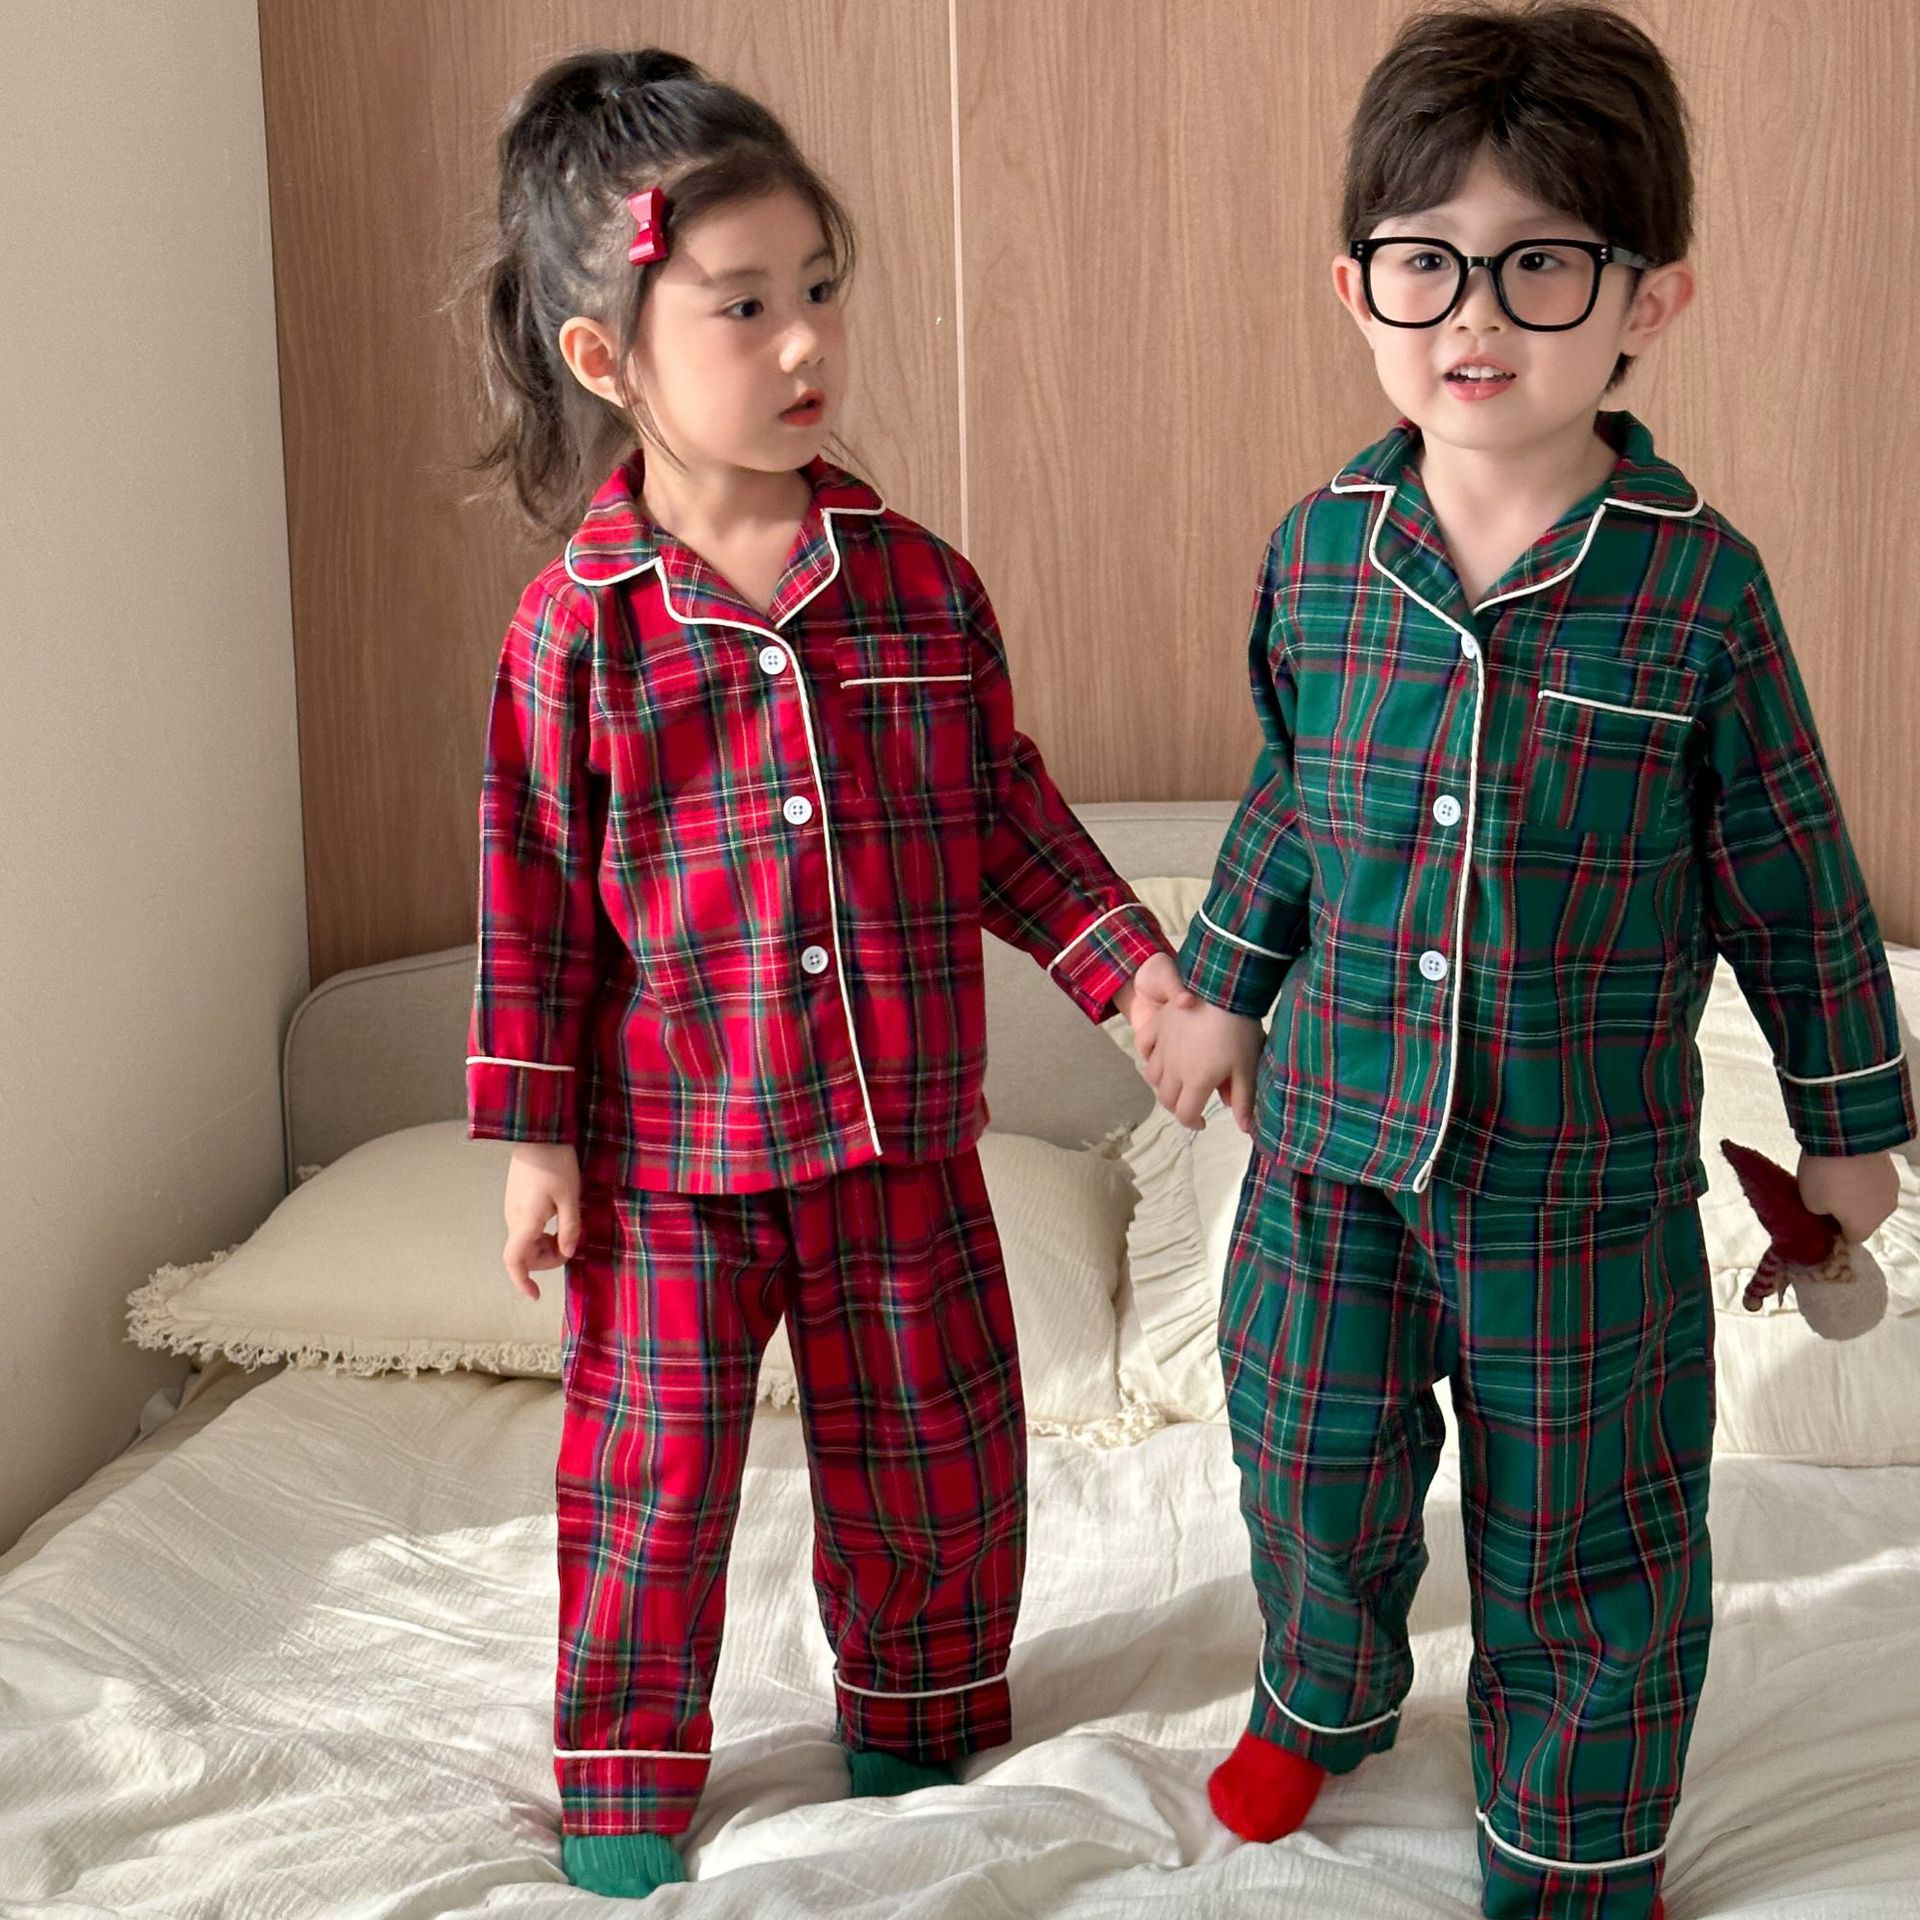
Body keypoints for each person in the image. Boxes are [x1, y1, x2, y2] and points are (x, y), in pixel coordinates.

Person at [1138, 7, 1915, 1915]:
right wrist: (1222, 983)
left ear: (1647, 300)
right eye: (1428, 264)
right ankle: (1322, 1688)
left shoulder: (1699, 587)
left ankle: (1571, 1832)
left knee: (1592, 1521)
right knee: (1303, 1445)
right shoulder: (1320, 551)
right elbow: (1293, 794)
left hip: (1577, 1182)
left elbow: (1791, 878)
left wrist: (1848, 1127)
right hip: (1332, 1150)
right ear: (1357, 287)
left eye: (1541, 266)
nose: (1474, 315)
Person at [463, 48, 1186, 1897]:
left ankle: (921, 1721)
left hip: (900, 1148)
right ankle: (627, 1779)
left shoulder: (920, 590)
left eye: (821, 289)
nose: (805, 344)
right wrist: (535, 1141)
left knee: (940, 1457)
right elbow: (534, 901)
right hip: (675, 1166)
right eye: (742, 307)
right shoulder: (576, 633)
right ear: (607, 358)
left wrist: (1138, 984)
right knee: (648, 1489)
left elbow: (1008, 821)